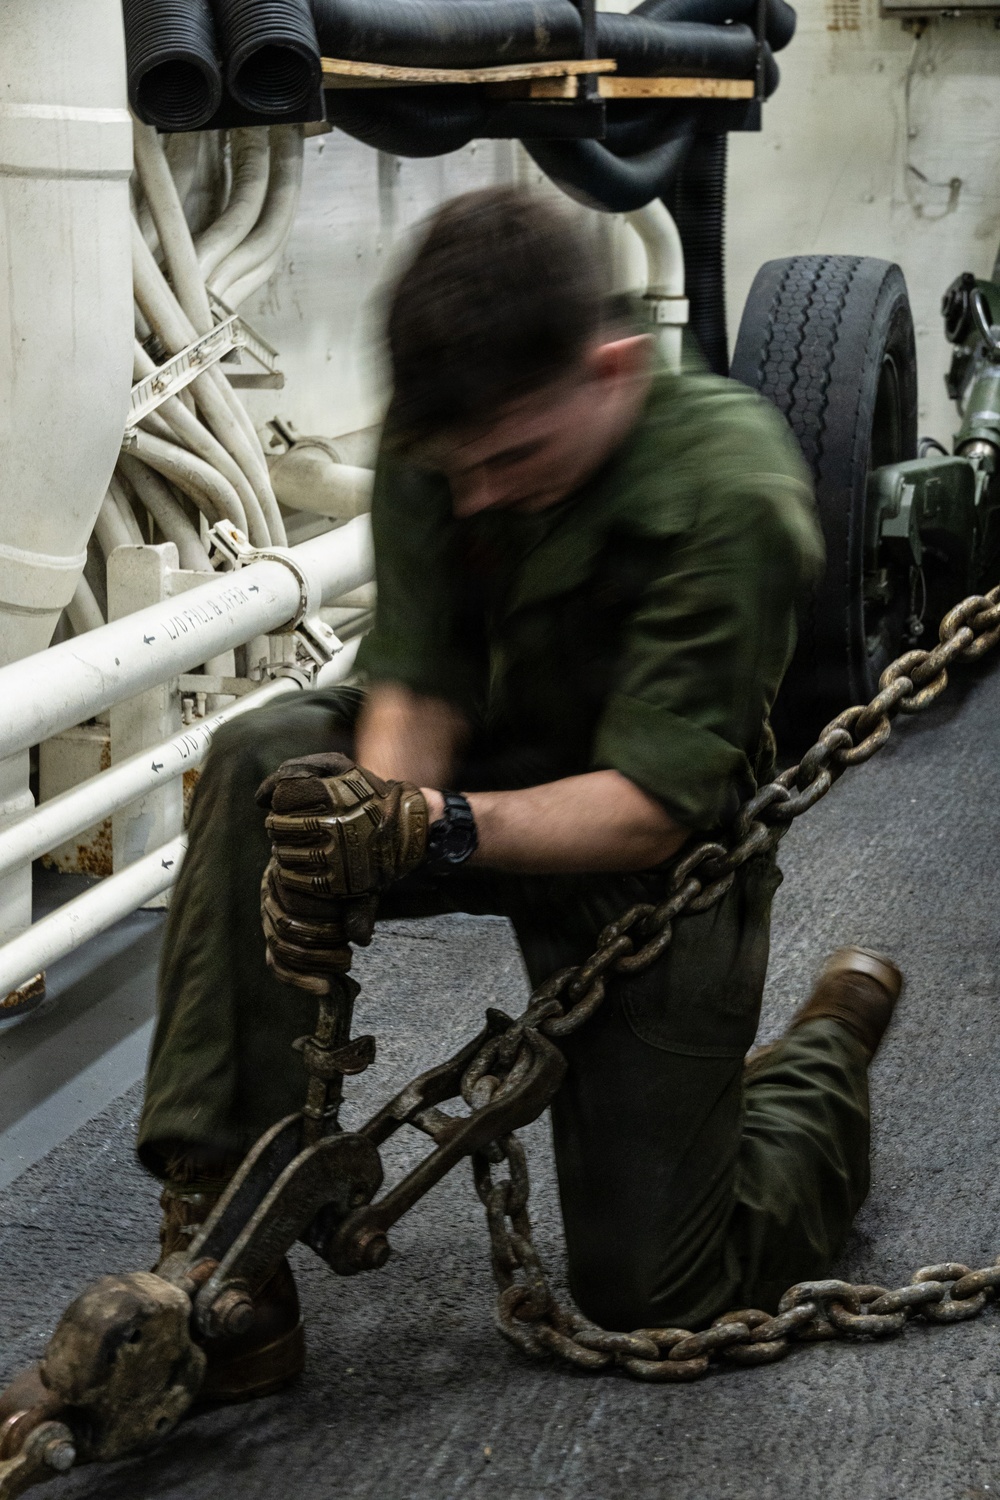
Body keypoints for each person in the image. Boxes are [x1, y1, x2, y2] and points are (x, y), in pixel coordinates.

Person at [99, 187, 908, 1400]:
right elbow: (418, 684)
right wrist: (365, 828)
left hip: (647, 848)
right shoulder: (460, 435)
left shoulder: (731, 497)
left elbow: (651, 804)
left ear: (615, 371)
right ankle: (226, 1270)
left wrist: (435, 830)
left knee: (656, 1291)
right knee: (278, 766)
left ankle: (815, 1064)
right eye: (454, 467)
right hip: (477, 778)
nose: (474, 495)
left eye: (514, 458)